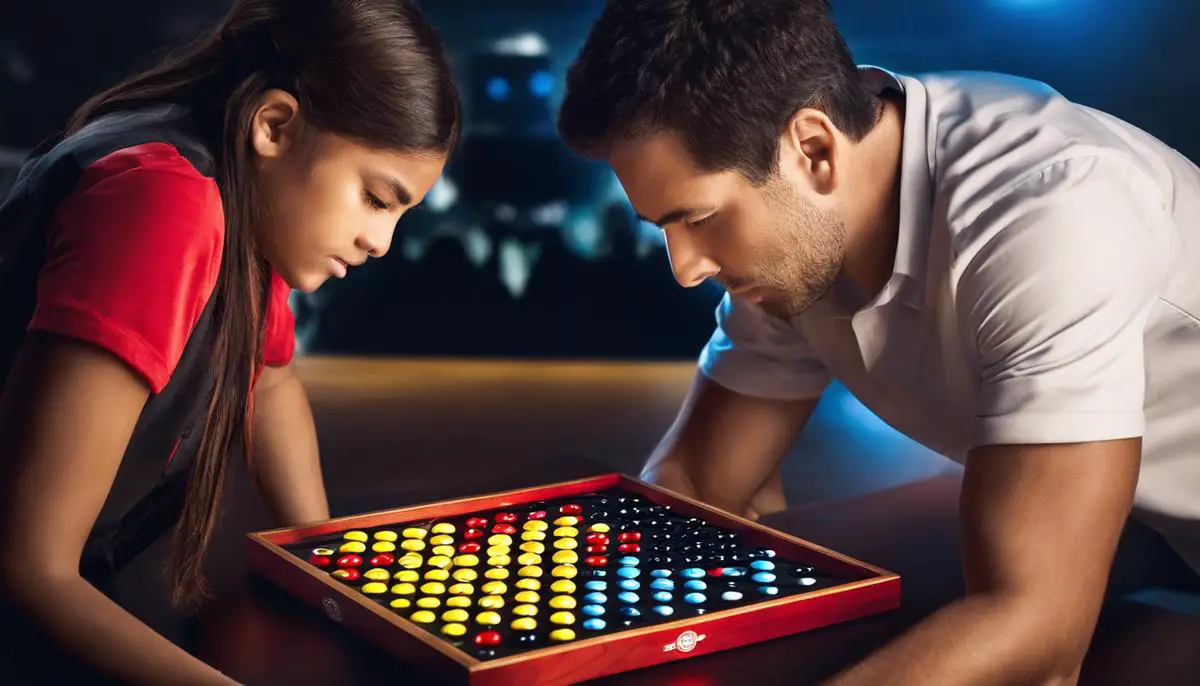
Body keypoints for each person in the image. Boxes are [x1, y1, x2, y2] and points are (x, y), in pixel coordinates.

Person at [557, 0, 1200, 683]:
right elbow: (695, 487)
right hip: (1139, 522)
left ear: (814, 149)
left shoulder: (1052, 214)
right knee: (794, 575)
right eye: (664, 226)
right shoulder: (796, 234)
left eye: (701, 218)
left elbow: (1038, 636)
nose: (686, 269)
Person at [0, 1, 459, 684]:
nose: (380, 241)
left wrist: (334, 575)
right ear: (274, 125)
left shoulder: (239, 205)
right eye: (374, 197)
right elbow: (29, 569)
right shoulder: (164, 201)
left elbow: (269, 379)